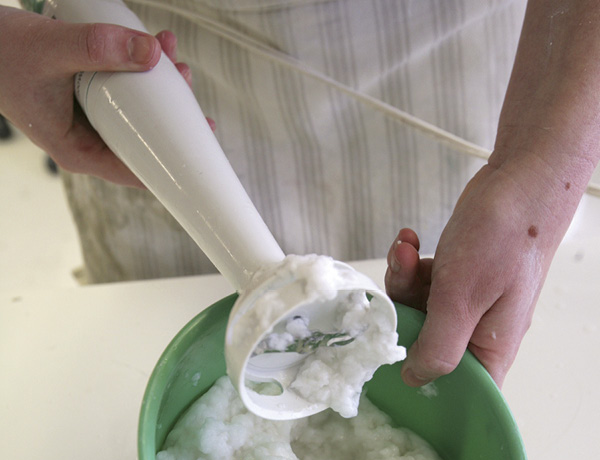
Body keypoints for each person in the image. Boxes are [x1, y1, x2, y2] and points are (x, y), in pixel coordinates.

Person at [1, 0, 599, 390]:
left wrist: (535, 169)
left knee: (432, 311)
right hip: (146, 68)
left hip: (454, 51)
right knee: (146, 353)